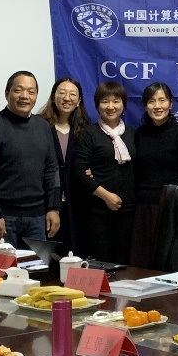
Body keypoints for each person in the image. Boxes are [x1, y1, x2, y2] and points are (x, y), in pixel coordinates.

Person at [0, 71, 61, 246]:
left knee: (35, 264)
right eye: (18, 90)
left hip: (37, 217)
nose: (25, 96)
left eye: (31, 91)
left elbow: (52, 169)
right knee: (3, 264)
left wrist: (54, 208)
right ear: (7, 93)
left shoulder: (44, 127)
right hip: (3, 218)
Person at [72, 82, 137, 263]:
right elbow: (79, 171)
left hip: (128, 210)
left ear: (123, 104)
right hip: (98, 210)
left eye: (116, 101)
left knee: (125, 262)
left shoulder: (131, 133)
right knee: (102, 262)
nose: (110, 106)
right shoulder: (90, 134)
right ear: (97, 105)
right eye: (105, 101)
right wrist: (106, 196)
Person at [132, 82, 178, 267]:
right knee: (142, 259)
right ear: (145, 105)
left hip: (169, 206)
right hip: (143, 206)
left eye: (162, 100)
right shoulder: (140, 134)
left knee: (166, 260)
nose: (157, 106)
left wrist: (176, 205)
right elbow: (135, 171)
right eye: (152, 101)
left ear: (171, 103)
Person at [38, 77, 89, 252]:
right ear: (53, 97)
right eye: (62, 93)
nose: (67, 98)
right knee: (48, 253)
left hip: (76, 203)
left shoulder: (84, 129)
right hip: (46, 201)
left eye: (72, 94)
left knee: (74, 253)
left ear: (79, 100)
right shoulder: (39, 125)